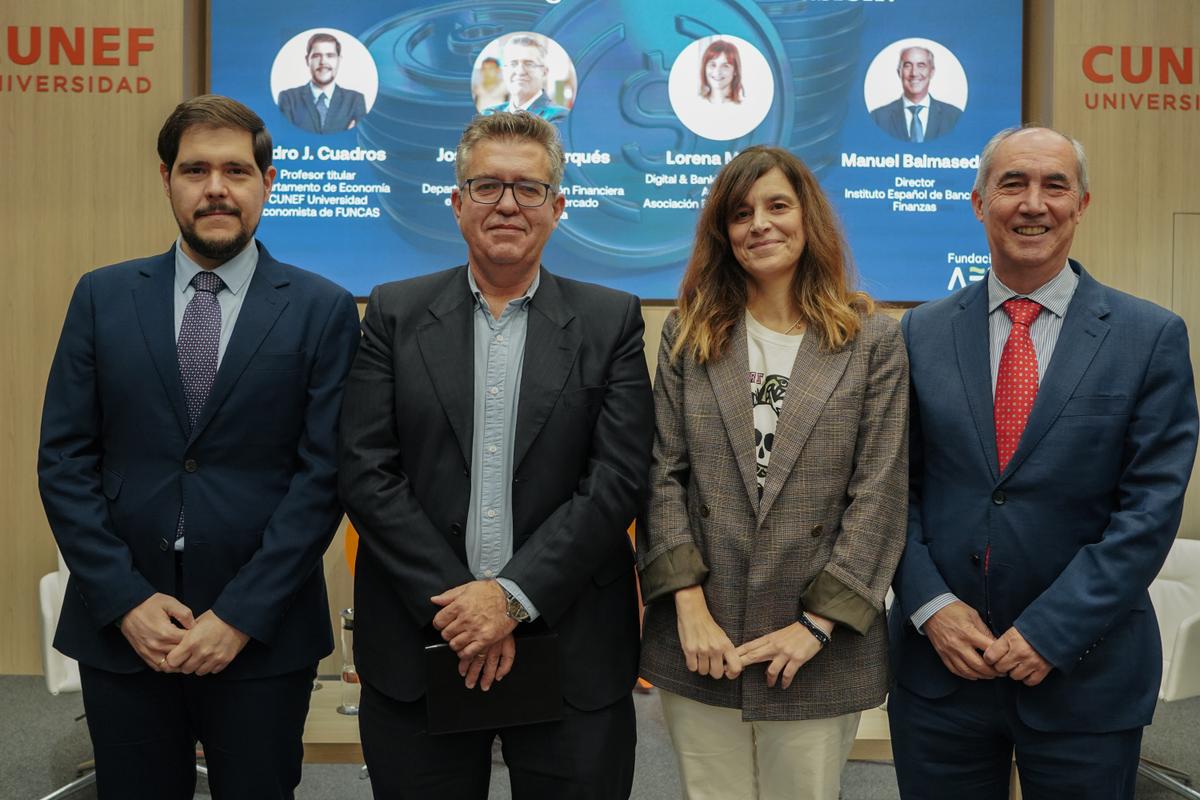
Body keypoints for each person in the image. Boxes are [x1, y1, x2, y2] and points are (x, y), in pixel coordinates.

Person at [37, 95, 361, 799]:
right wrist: (124, 599)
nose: (216, 187)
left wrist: (241, 613)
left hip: (261, 630)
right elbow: (64, 461)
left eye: (237, 170)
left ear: (267, 183)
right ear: (166, 180)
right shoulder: (102, 296)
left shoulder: (322, 309)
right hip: (124, 627)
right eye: (196, 170)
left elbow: (324, 476)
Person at [338, 111, 653, 799]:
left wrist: (510, 599)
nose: (507, 203)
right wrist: (465, 610)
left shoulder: (611, 321)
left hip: (571, 647)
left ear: (557, 207)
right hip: (424, 642)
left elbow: (618, 478)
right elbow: (365, 469)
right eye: (487, 186)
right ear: (456, 204)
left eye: (529, 188)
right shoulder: (394, 314)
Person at [888, 126, 1199, 799]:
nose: (1035, 203)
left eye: (1054, 185)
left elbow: (1147, 513)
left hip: (1086, 672)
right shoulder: (918, 333)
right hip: (940, 673)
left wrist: (1053, 629)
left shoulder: (1149, 339)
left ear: (1082, 203)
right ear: (977, 202)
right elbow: (889, 492)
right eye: (1013, 184)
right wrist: (931, 605)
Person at [637, 145, 909, 800]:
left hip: (819, 642)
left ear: (807, 216)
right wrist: (688, 605)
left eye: (777, 205)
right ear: (723, 233)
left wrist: (817, 623)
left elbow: (880, 492)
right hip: (705, 636)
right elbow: (662, 474)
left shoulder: (872, 340)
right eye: (740, 212)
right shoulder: (690, 332)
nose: (759, 223)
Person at [277, 32, 368, 134]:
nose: (323, 62)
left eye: (330, 55)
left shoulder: (355, 100)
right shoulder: (288, 99)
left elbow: (358, 138)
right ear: (307, 60)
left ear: (339, 60)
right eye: (316, 56)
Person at [869, 46, 961, 143]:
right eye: (907, 65)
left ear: (932, 72)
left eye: (921, 65)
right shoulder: (877, 118)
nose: (914, 73)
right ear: (899, 72)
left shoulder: (954, 117)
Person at [483, 36, 569, 123]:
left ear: (544, 72)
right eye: (513, 63)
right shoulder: (488, 114)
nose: (520, 71)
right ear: (504, 71)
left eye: (529, 64)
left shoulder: (559, 117)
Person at [699, 39, 745, 104]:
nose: (717, 72)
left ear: (735, 71)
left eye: (725, 66)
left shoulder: (747, 107)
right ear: (705, 68)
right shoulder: (694, 105)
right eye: (713, 65)